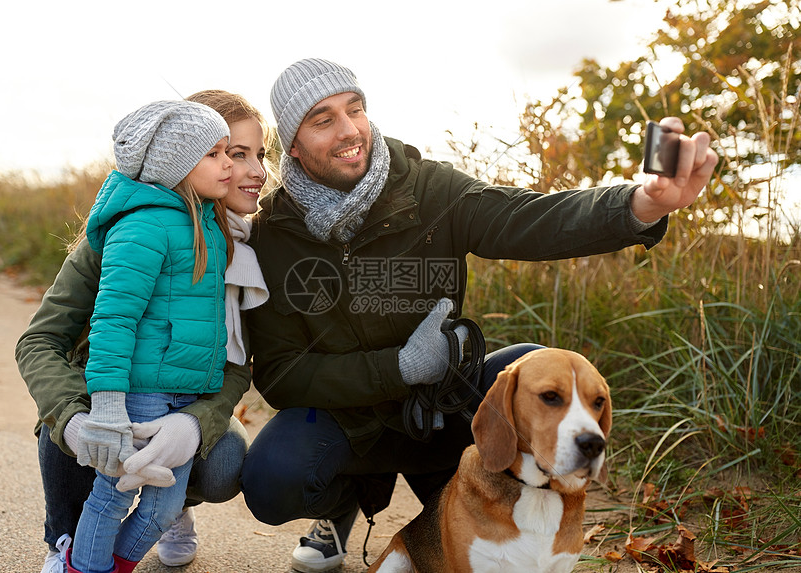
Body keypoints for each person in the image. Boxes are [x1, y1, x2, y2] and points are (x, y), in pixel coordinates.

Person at [241, 58, 719, 573]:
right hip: (347, 424)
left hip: (443, 411)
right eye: (323, 119)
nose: (350, 130)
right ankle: (339, 506)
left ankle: (501, 521)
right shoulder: (272, 235)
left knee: (533, 368)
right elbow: (282, 374)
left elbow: (529, 218)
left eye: (355, 110)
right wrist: (398, 367)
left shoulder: (430, 189)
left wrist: (637, 207)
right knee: (272, 479)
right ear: (291, 144)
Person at [16, 90, 271, 573]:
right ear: (182, 160)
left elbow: (238, 362)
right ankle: (66, 541)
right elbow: (38, 342)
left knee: (223, 463)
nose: (255, 170)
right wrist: (76, 417)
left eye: (261, 154)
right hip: (116, 392)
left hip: (186, 392)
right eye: (233, 154)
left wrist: (193, 425)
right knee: (71, 429)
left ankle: (171, 511)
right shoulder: (132, 230)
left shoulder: (249, 248)